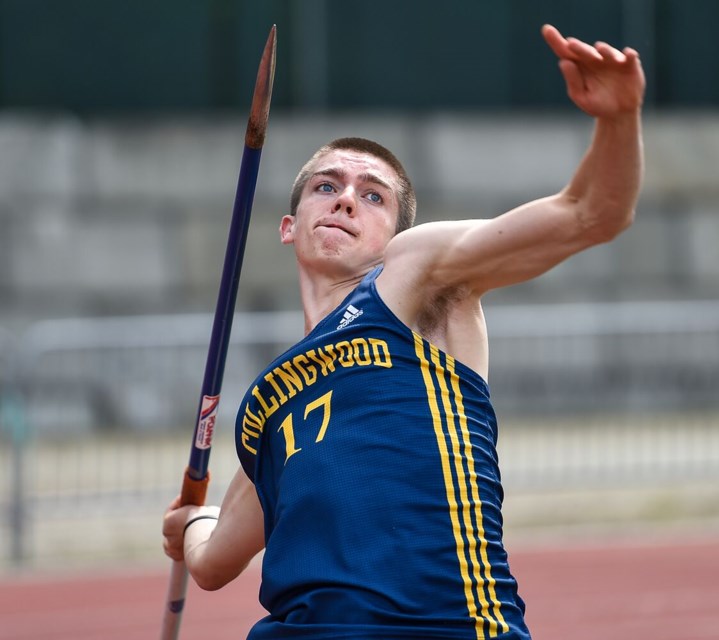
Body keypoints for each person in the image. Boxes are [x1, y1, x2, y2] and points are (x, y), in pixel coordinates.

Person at [162, 23, 645, 639]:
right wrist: (190, 524)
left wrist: (620, 118)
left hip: (441, 628)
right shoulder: (268, 404)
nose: (344, 201)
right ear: (290, 225)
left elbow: (592, 213)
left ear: (395, 235)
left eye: (373, 196)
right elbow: (212, 562)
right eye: (327, 187)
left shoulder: (413, 281)